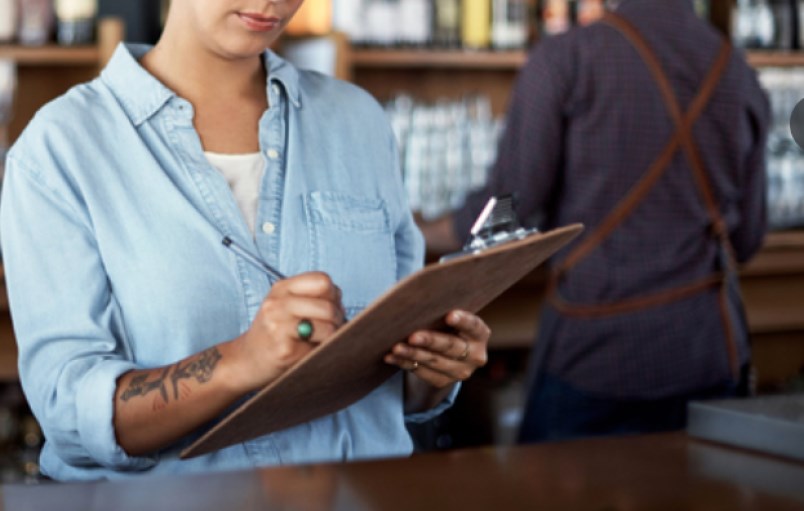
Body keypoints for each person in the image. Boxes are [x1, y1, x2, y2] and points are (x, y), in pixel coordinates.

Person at [0, 0, 490, 481]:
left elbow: (394, 379)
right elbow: (70, 418)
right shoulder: (61, 148)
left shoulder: (358, 121)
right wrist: (240, 362)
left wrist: (432, 372)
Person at [421, 0, 769, 443]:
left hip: (597, 355)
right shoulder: (736, 72)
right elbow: (749, 238)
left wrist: (418, 231)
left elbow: (504, 210)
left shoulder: (567, 58)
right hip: (706, 351)